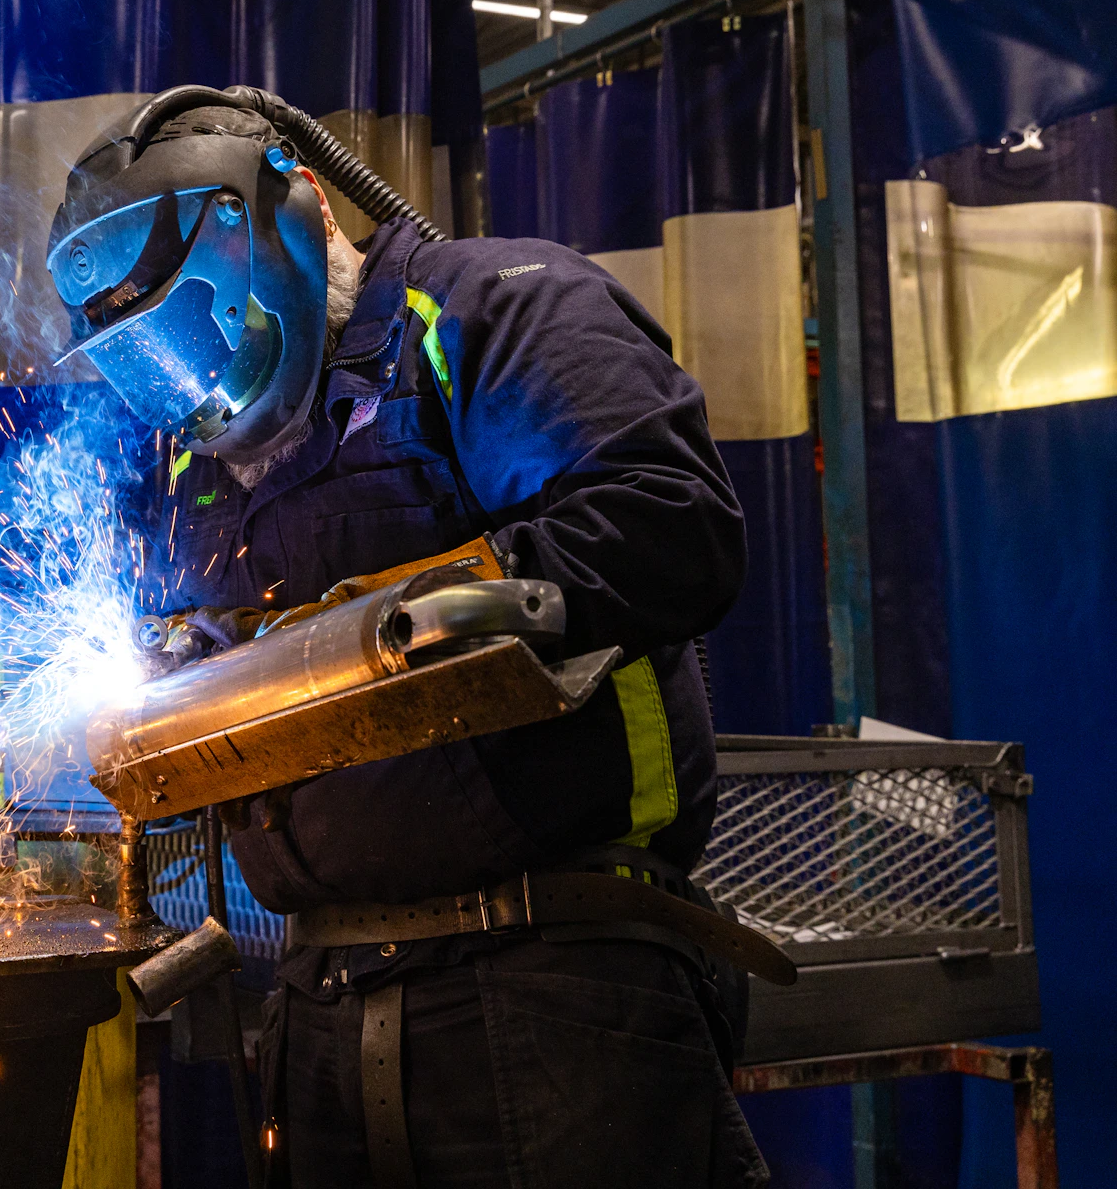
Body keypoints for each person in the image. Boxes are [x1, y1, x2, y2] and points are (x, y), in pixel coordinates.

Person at [47, 88, 768, 1189]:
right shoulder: (203, 460)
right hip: (319, 1000)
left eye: (195, 328)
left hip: (554, 979)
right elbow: (212, 659)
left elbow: (669, 526)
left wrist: (402, 626)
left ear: (296, 214)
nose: (195, 380)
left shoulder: (493, 311)